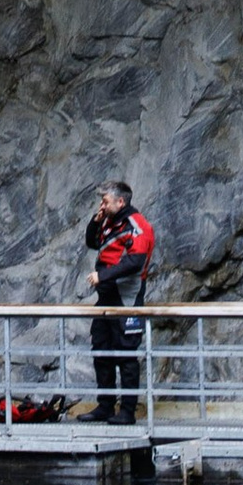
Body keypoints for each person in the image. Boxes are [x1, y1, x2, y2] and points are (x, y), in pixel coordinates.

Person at [85, 179, 156, 421]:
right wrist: (95, 222)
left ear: (121, 201)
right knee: (101, 349)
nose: (102, 206)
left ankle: (127, 411)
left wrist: (102, 275)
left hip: (127, 298)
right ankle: (105, 405)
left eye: (105, 201)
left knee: (126, 353)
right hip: (106, 296)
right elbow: (93, 242)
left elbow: (135, 261)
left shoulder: (137, 225)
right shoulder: (109, 221)